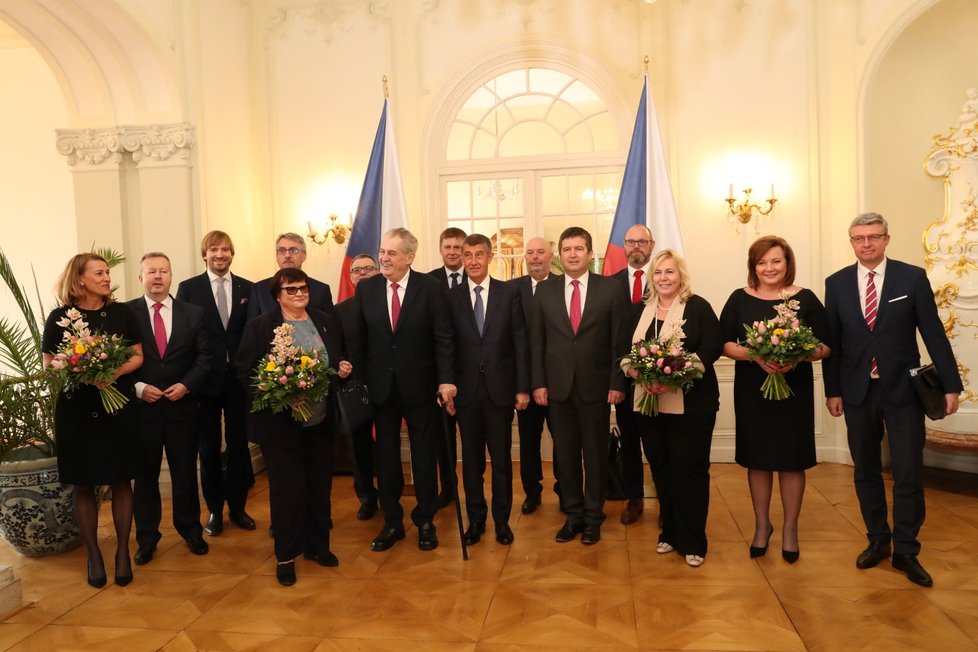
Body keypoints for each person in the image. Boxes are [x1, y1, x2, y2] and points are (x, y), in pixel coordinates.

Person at [823, 213, 962, 587]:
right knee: (865, 470)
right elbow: (833, 346)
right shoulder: (835, 284)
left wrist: (951, 385)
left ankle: (906, 549)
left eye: (873, 237)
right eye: (858, 238)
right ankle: (877, 540)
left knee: (907, 471)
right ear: (851, 242)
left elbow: (934, 335)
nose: (866, 244)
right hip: (856, 392)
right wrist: (832, 390)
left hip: (902, 392)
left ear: (887, 239)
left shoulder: (911, 278)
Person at [236, 268, 352, 586]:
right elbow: (246, 372)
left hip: (320, 422)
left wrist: (341, 366)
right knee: (288, 492)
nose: (299, 294)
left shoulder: (325, 320)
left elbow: (336, 356)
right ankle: (286, 556)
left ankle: (318, 547)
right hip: (281, 426)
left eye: (303, 288)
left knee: (318, 488)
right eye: (291, 290)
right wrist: (283, 396)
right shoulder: (262, 327)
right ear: (277, 295)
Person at [720, 236, 830, 564]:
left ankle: (791, 529)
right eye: (762, 262)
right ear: (754, 266)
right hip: (754, 392)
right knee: (759, 459)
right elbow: (723, 343)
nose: (769, 268)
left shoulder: (805, 299)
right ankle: (761, 526)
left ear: (787, 263)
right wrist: (756, 354)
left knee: (792, 460)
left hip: (793, 392)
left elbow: (825, 346)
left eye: (776, 261)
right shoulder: (739, 298)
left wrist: (796, 354)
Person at [351, 227, 456, 552]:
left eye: (391, 253)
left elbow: (443, 338)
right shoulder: (367, 290)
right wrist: (358, 383)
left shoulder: (431, 288)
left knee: (424, 457)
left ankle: (425, 520)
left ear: (410, 256)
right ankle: (392, 521)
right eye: (382, 251)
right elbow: (359, 340)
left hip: (421, 388)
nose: (383, 258)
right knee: (386, 459)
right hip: (380, 389)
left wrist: (446, 379)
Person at [41, 253, 144, 588]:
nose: (106, 277)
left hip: (118, 409)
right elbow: (48, 364)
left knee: (121, 480)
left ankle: (122, 554)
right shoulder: (60, 317)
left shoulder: (122, 313)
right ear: (80, 279)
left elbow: (137, 355)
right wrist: (80, 370)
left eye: (107, 272)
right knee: (83, 484)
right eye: (99, 272)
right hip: (77, 411)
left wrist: (113, 370)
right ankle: (94, 555)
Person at [622, 250, 721, 567]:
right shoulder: (640, 309)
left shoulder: (698, 307)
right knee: (662, 470)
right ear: (652, 277)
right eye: (659, 272)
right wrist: (636, 372)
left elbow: (711, 347)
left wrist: (675, 373)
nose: (664, 278)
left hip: (692, 406)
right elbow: (624, 353)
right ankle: (669, 533)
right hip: (649, 405)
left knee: (689, 471)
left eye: (670, 272)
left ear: (681, 276)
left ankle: (693, 540)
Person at [530, 226, 629, 545]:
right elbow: (537, 342)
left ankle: (593, 517)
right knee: (565, 454)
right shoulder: (544, 291)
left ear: (590, 253)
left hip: (597, 388)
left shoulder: (611, 289)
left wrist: (617, 382)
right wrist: (538, 383)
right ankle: (572, 514)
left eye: (578, 248)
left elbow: (619, 341)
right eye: (567, 249)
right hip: (557, 388)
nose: (572, 254)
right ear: (559, 254)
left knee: (596, 454)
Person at [127, 252, 212, 566]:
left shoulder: (193, 313)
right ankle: (147, 538)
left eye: (163, 271)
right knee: (145, 476)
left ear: (171, 276)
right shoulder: (126, 313)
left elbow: (205, 357)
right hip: (144, 410)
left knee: (185, 473)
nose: (158, 277)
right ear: (141, 278)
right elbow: (117, 360)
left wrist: (186, 385)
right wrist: (138, 388)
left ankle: (191, 530)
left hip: (182, 408)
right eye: (151, 271)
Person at [446, 234, 530, 546]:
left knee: (502, 461)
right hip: (465, 393)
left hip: (500, 391)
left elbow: (520, 343)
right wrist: (447, 386)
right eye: (467, 255)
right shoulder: (451, 296)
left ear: (489, 256)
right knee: (471, 463)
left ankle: (502, 522)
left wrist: (522, 387)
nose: (472, 261)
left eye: (478, 254)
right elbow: (446, 344)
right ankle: (476, 521)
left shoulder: (509, 293)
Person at [175, 230, 257, 536]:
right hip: (203, 382)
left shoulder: (247, 287)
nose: (219, 255)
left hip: (238, 380)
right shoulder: (189, 288)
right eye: (214, 250)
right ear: (204, 254)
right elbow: (184, 335)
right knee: (208, 448)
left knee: (238, 447)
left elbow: (252, 332)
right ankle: (214, 511)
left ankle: (238, 507)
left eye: (225, 249)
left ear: (232, 254)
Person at [609, 224, 655, 525]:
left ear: (651, 245)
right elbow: (607, 337)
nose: (636, 246)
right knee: (629, 442)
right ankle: (634, 498)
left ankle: (667, 498)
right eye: (630, 241)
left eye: (641, 241)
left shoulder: (665, 280)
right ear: (624, 247)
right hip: (623, 379)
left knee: (656, 444)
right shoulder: (608, 285)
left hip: (659, 379)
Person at [509, 237, 558, 514]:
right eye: (530, 253)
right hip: (526, 383)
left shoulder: (563, 285)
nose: (535, 257)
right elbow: (511, 341)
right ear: (525, 257)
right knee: (529, 442)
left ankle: (566, 488)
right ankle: (532, 491)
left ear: (551, 256)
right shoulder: (511, 289)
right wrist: (522, 386)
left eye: (541, 252)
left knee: (563, 441)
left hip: (560, 382)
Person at [334, 253, 380, 520]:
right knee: (360, 447)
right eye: (357, 270)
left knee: (386, 446)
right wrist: (341, 362)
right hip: (355, 389)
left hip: (386, 387)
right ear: (350, 277)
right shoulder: (339, 310)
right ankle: (366, 497)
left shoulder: (387, 304)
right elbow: (336, 348)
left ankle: (388, 492)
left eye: (368, 268)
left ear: (377, 272)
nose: (362, 273)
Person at [429, 226, 467, 508]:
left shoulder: (479, 278)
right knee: (443, 437)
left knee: (472, 435)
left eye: (458, 247)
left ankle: (474, 488)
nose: (453, 252)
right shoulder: (427, 283)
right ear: (440, 249)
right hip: (440, 373)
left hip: (471, 373)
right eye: (448, 247)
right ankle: (448, 488)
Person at [248, 233, 334, 318]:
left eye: (293, 250)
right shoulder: (259, 290)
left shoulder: (321, 290)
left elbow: (331, 327)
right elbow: (252, 329)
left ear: (304, 255)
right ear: (276, 255)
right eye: (282, 250)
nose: (287, 255)